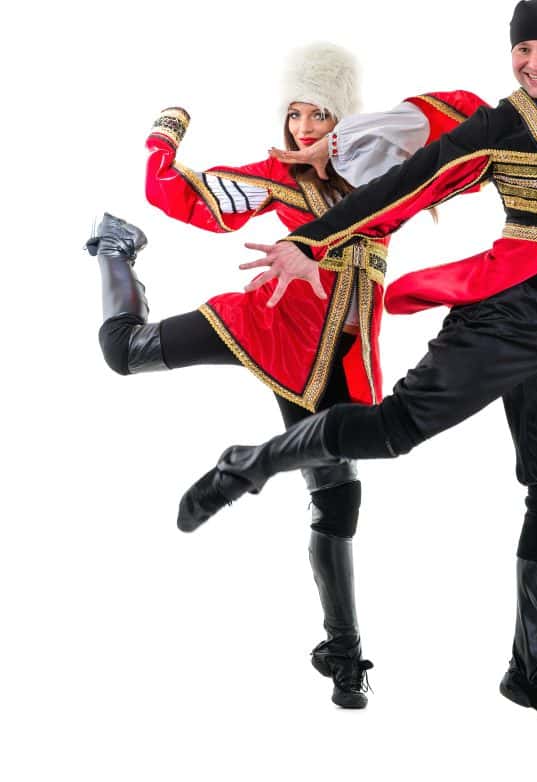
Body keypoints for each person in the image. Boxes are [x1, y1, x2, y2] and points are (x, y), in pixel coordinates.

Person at [173, 0, 537, 732]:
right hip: (504, 317)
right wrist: (309, 242)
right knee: (394, 430)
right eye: (522, 51)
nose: (534, 63)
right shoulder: (497, 126)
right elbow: (404, 185)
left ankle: (533, 669)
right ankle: (253, 462)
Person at [85, 43, 483, 709]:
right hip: (268, 323)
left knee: (338, 499)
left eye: (320, 114)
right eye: (295, 113)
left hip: (334, 360)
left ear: (344, 122)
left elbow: (466, 123)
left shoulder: (387, 178)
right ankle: (115, 248)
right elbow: (190, 196)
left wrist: (369, 139)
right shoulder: (275, 175)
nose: (303, 127)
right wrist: (165, 137)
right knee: (125, 354)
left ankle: (345, 655)